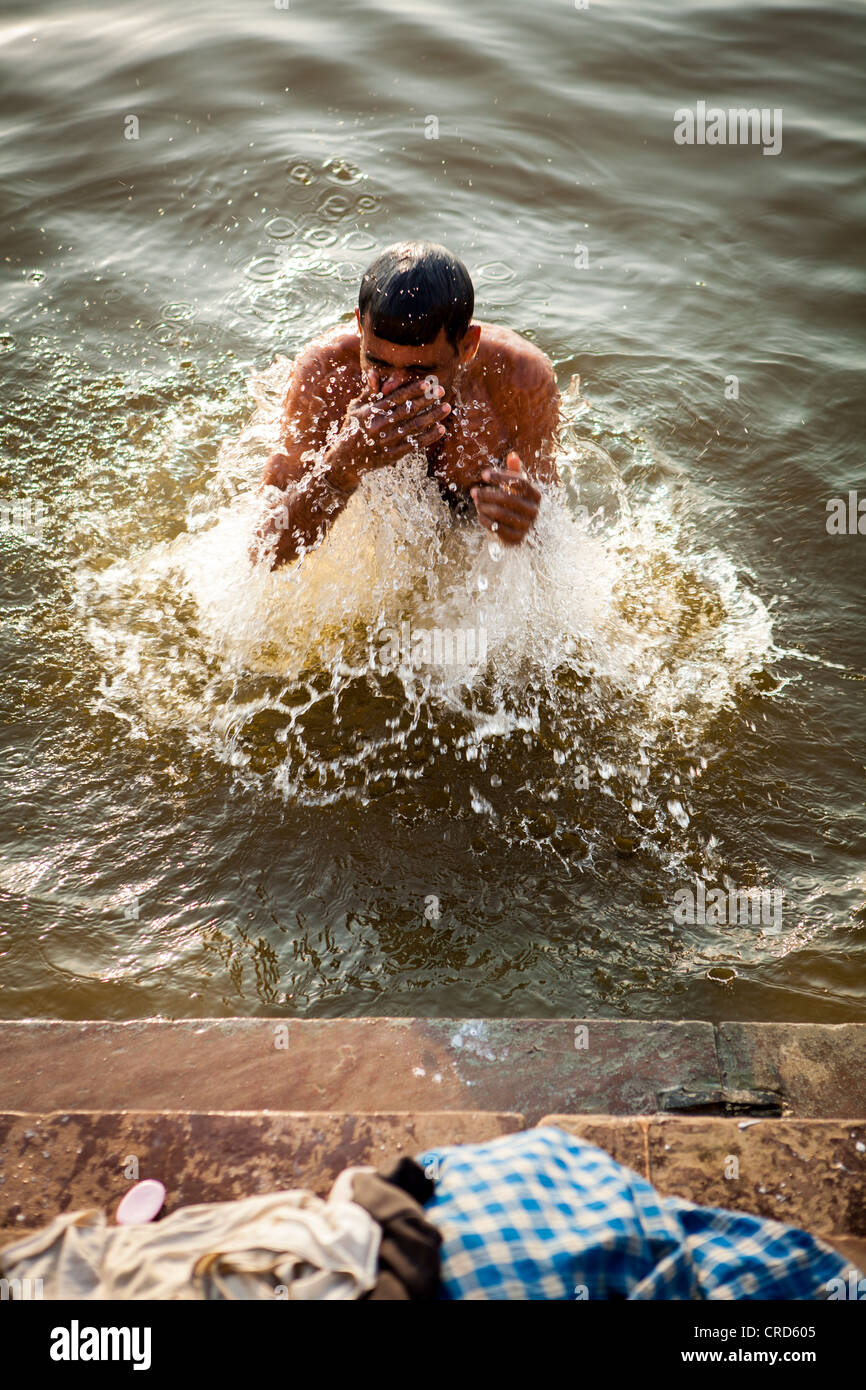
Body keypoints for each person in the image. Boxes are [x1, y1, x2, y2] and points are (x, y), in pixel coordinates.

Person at [252, 240, 560, 568]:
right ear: (360, 326)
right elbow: (261, 552)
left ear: (468, 347)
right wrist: (341, 468)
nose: (394, 388)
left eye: (421, 372)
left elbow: (550, 543)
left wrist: (523, 523)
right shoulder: (326, 374)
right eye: (377, 363)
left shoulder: (518, 380)